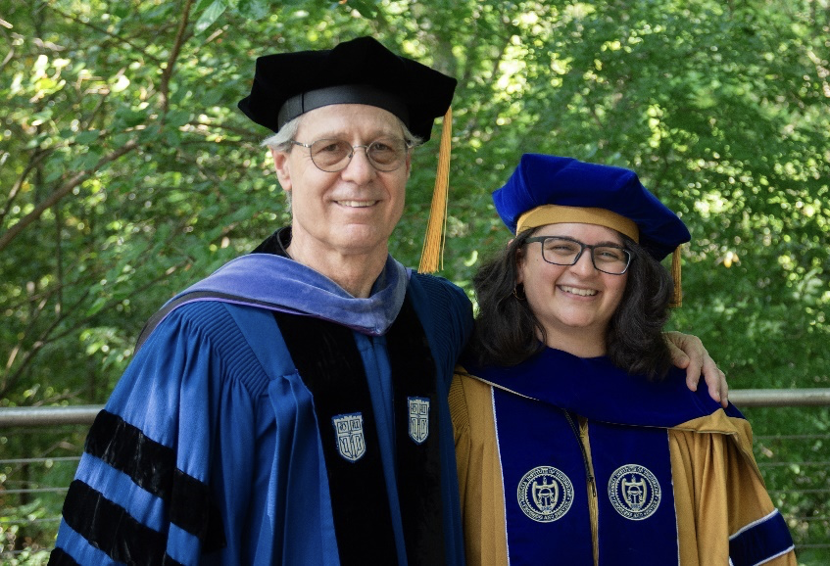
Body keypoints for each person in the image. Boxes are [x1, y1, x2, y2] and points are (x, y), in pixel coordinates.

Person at [49, 38, 725, 565]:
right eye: (330, 149)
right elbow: (119, 535)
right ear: (283, 166)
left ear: (408, 168)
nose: (360, 173)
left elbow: (551, 347)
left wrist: (662, 346)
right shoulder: (207, 336)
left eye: (384, 149)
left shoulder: (436, 314)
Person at [451, 154, 796, 565]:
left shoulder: (689, 406)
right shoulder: (459, 392)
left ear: (632, 275)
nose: (583, 270)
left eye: (609, 255)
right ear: (519, 262)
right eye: (560, 248)